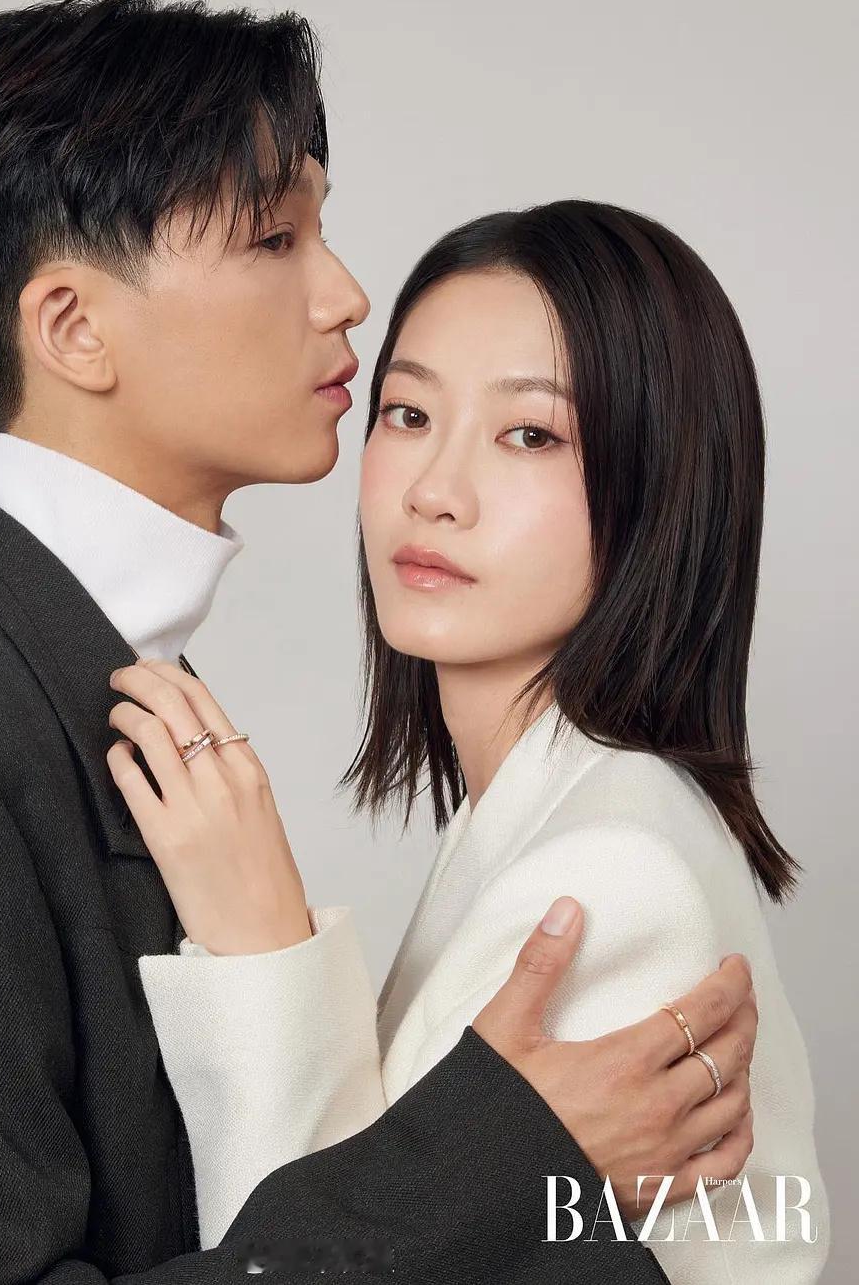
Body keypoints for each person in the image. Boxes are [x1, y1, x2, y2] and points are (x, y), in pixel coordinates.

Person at [0, 0, 756, 1284]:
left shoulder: (105, 676)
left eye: (322, 227)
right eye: (274, 236)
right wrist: (503, 1160)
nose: (347, 294)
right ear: (74, 328)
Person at [106, 200, 829, 1281]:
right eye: (406, 414)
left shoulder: (608, 878)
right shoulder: (550, 817)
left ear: (661, 485)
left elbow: (331, 1253)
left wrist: (261, 947)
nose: (435, 492)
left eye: (530, 434)